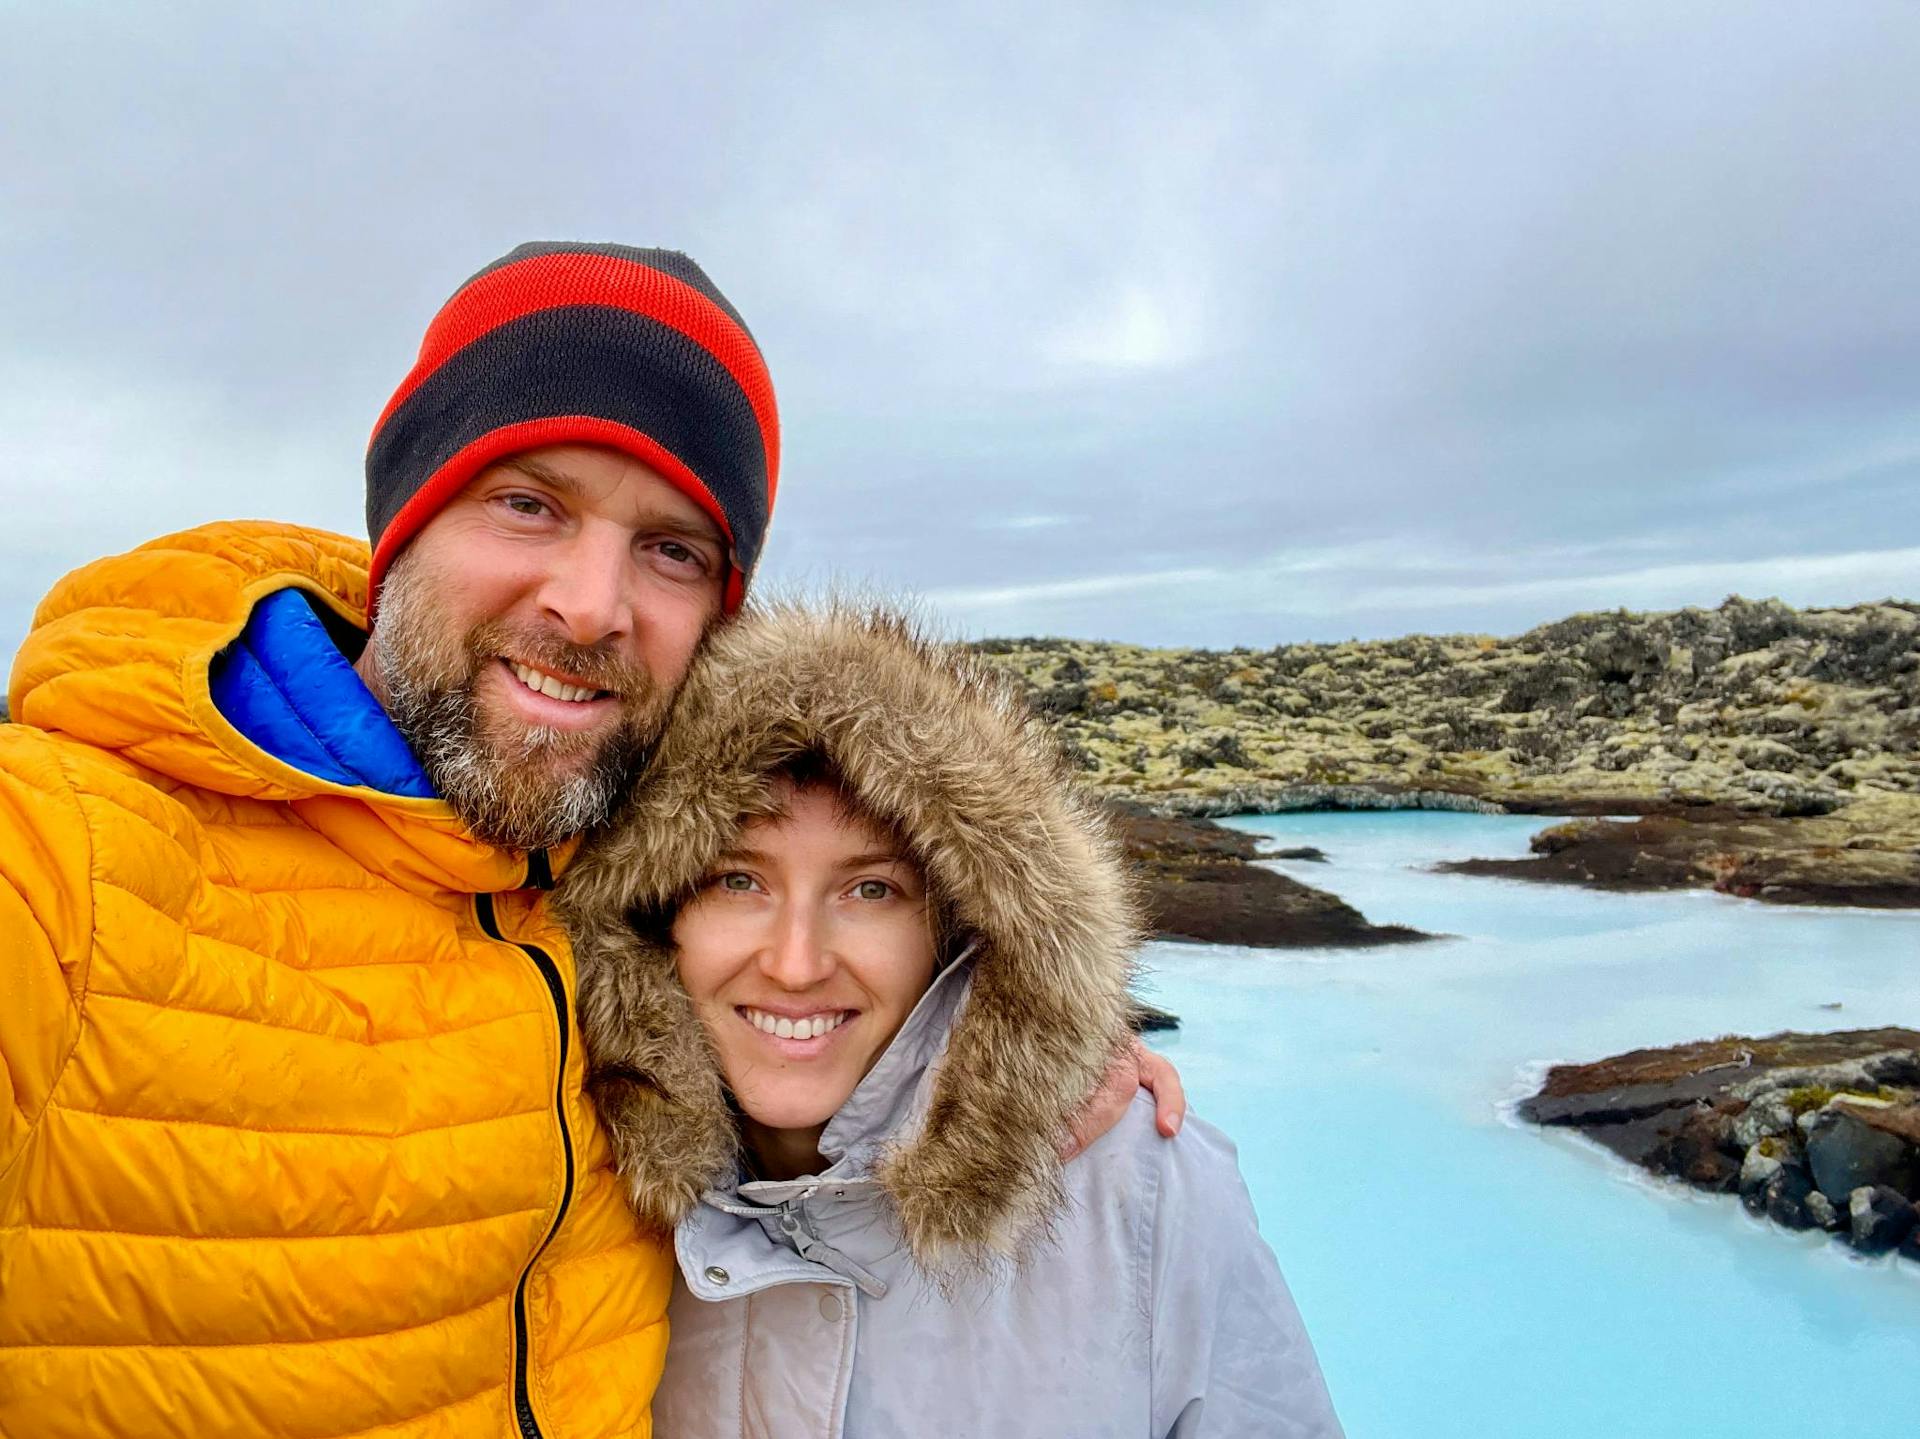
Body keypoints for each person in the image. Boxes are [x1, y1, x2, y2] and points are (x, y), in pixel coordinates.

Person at [0, 243, 1179, 1438]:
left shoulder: (643, 890)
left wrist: (1016, 1045)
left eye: (672, 549)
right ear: (403, 524)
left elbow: (826, 1018)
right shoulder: (56, 861)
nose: (590, 604)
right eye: (529, 503)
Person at [561, 602, 1345, 1438]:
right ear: (651, 906)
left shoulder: (1146, 1193)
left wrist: (1055, 1045)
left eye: (871, 890)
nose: (796, 962)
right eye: (737, 881)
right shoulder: (567, 1171)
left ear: (958, 923)